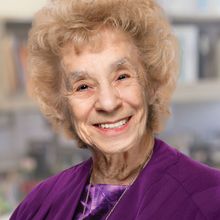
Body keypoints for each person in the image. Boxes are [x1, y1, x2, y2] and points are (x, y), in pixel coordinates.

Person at [10, 0, 220, 219]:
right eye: (83, 87)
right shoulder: (38, 206)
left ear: (151, 83)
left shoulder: (211, 201)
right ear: (62, 105)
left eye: (122, 77)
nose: (108, 103)